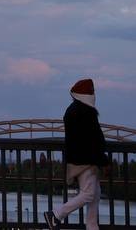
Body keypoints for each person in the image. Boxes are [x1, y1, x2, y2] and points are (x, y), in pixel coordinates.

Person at [44, 78, 111, 230]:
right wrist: (104, 161)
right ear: (87, 93)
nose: (94, 93)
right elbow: (93, 140)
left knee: (95, 194)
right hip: (86, 160)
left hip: (78, 159)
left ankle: (92, 226)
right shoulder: (87, 112)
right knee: (89, 194)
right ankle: (56, 214)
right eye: (92, 91)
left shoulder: (73, 110)